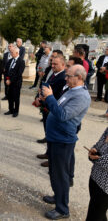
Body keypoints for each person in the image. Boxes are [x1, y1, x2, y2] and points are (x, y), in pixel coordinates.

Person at [41, 65, 91, 220]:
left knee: (61, 175)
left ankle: (63, 209)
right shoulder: (71, 90)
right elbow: (59, 108)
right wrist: (47, 101)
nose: (66, 78)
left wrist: (50, 97)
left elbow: (63, 115)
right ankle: (57, 196)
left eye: (69, 76)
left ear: (80, 78)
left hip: (63, 140)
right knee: (55, 172)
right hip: (55, 137)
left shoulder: (81, 96)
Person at [85, 128, 108, 221]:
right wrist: (93, 150)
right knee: (98, 213)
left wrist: (96, 158)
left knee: (94, 215)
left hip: (105, 187)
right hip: (95, 177)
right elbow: (98, 145)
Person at [4, 46, 25, 117]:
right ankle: (11, 109)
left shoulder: (21, 61)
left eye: (12, 52)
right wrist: (7, 79)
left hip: (16, 83)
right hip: (8, 82)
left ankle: (16, 111)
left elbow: (19, 74)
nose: (11, 53)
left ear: (17, 53)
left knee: (16, 97)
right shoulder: (10, 61)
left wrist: (10, 80)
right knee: (9, 97)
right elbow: (7, 71)